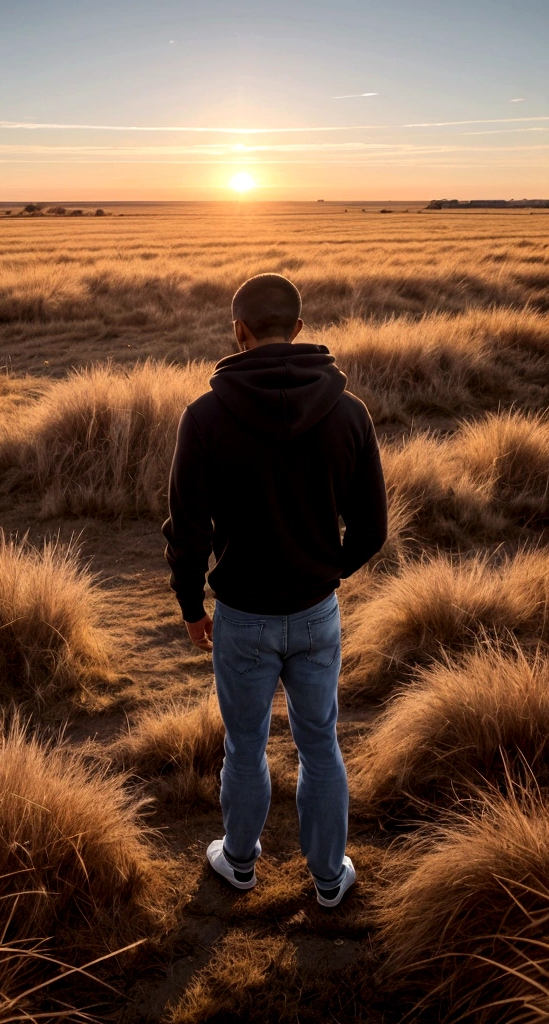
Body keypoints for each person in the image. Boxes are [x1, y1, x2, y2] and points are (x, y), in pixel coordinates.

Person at [162, 274, 387, 907]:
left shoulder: (204, 416)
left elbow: (188, 529)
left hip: (242, 615)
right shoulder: (348, 411)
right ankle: (327, 879)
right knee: (320, 742)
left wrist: (190, 607)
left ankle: (238, 862)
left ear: (239, 331)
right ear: (296, 326)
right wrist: (327, 570)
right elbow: (373, 528)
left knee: (245, 745)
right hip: (317, 611)